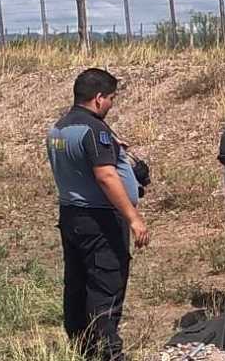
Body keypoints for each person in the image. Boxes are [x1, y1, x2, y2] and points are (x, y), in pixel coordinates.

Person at [46, 68, 151, 360]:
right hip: (101, 221)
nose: (112, 104)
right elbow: (105, 177)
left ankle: (83, 349)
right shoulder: (95, 130)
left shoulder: (59, 127)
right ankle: (108, 353)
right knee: (105, 284)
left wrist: (116, 153)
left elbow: (79, 164)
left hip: (72, 217)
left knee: (78, 284)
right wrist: (133, 218)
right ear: (99, 98)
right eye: (111, 98)